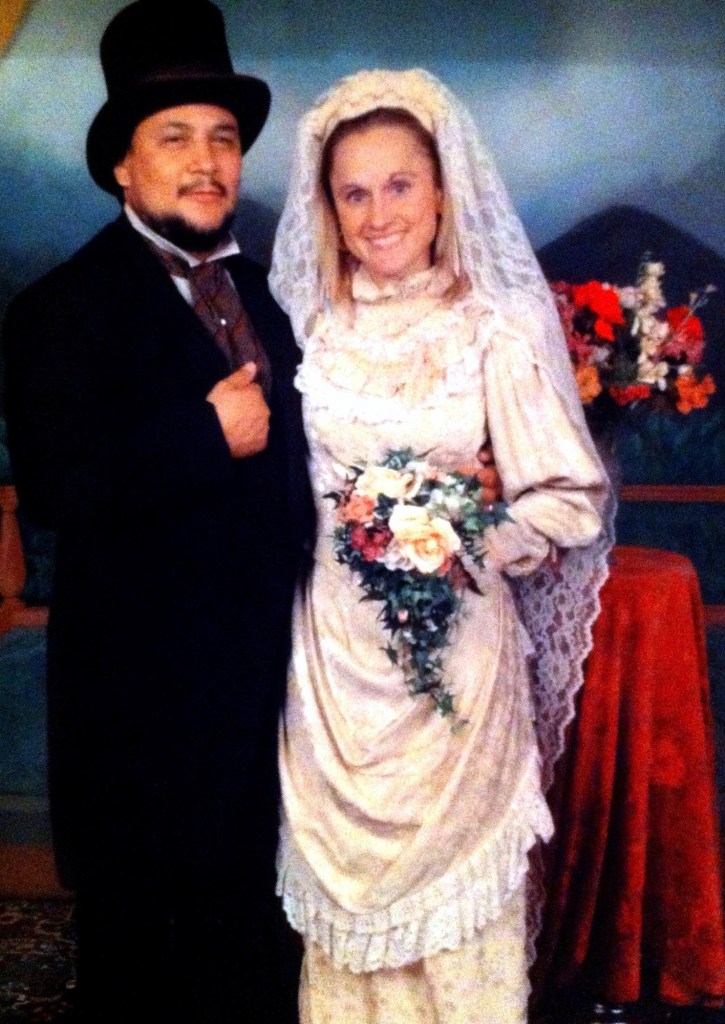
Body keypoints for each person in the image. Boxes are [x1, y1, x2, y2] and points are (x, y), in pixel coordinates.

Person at [269, 68, 613, 1023]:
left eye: (399, 185)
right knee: (345, 927)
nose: (378, 215)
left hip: (456, 673)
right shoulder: (307, 328)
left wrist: (463, 534)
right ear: (329, 211)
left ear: (441, 190)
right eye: (354, 193)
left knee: (457, 936)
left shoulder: (492, 329)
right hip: (332, 665)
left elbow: (569, 498)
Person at [2, 2, 315, 1022]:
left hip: (270, 695)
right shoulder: (57, 309)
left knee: (254, 954)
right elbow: (54, 486)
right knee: (138, 970)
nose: (206, 161)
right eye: (174, 137)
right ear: (121, 167)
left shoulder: (271, 297)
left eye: (222, 138)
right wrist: (199, 433)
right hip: (136, 712)